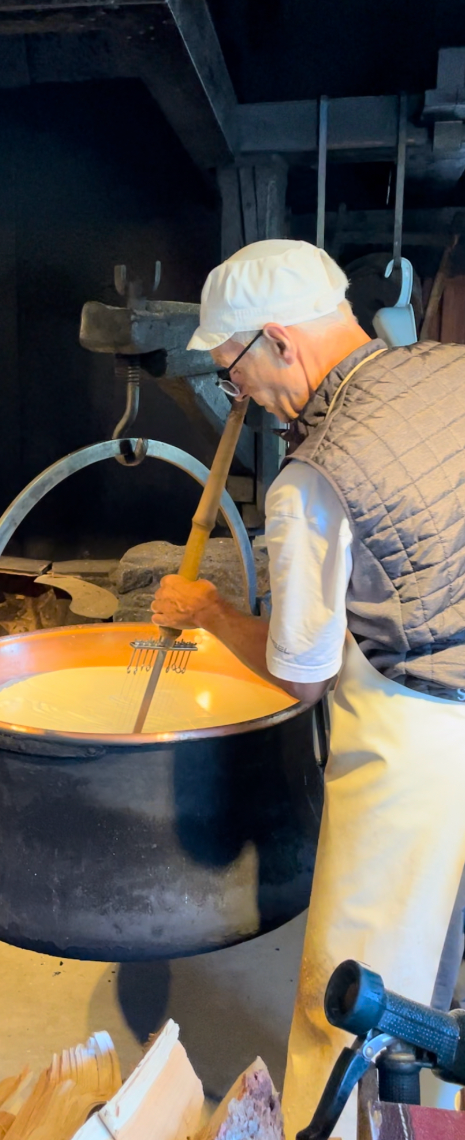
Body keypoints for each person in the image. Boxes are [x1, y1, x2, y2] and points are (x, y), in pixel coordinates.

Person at [150, 239, 465, 1140]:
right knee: (438, 966)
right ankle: (431, 1121)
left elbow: (301, 673)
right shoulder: (448, 372)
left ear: (280, 342)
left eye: (233, 370)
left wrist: (209, 610)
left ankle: (344, 1130)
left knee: (356, 989)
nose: (235, 397)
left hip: (419, 742)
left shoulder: (315, 477)